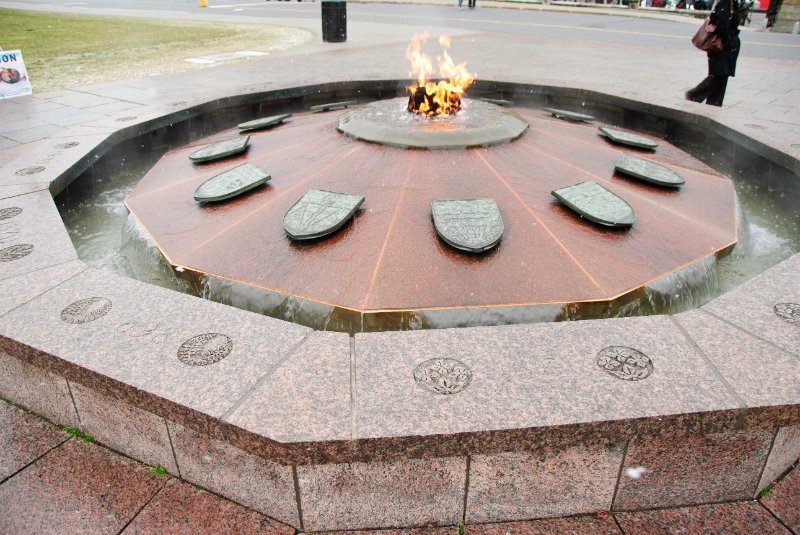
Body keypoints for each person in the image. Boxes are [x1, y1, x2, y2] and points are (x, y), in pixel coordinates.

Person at [685, 0, 741, 106]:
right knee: (720, 74)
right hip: (720, 44)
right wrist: (728, 44)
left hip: (726, 43)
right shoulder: (726, 2)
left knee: (722, 75)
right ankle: (694, 95)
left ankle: (714, 103)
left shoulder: (731, 2)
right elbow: (721, 26)